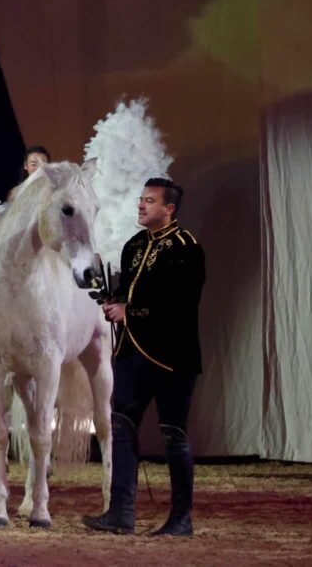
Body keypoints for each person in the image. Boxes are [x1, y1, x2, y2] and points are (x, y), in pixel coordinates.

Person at [82, 177, 205, 536]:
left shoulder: (187, 248)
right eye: (141, 199)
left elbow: (181, 304)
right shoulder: (134, 245)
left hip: (172, 359)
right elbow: (126, 291)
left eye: (149, 201)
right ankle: (120, 514)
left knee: (173, 436)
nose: (141, 205)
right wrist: (112, 301)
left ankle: (181, 519)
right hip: (132, 354)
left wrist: (130, 312)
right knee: (121, 428)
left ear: (169, 209)